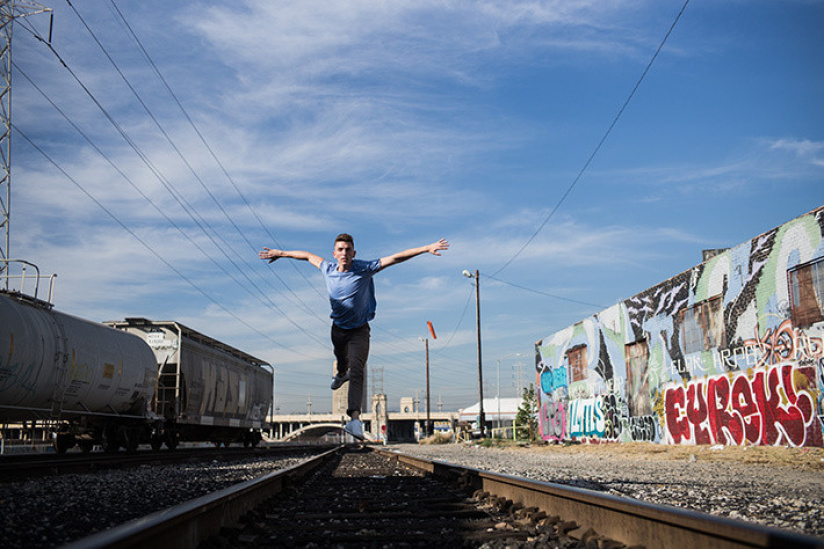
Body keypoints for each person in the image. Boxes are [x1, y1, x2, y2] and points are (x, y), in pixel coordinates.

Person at [258, 234, 449, 438]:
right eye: (340, 249)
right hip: (338, 329)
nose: (344, 253)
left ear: (354, 253)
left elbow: (395, 258)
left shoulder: (364, 269)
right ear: (334, 253)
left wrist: (426, 247)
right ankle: (341, 374)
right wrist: (281, 253)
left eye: (348, 250)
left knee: (357, 370)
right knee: (342, 361)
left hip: (359, 330)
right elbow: (306, 256)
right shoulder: (328, 269)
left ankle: (355, 420)